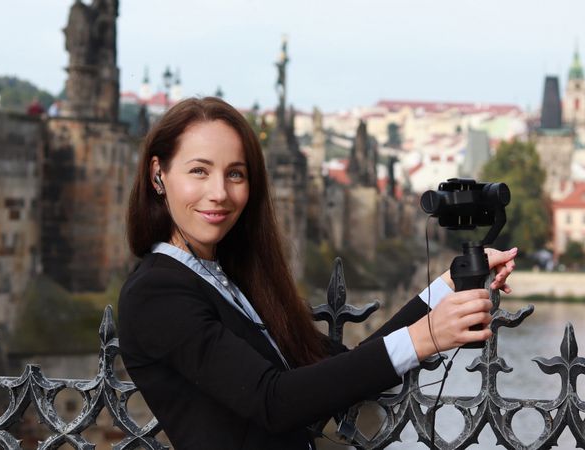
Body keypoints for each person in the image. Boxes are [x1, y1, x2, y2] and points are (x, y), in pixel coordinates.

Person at [117, 97, 517, 450]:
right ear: (158, 175)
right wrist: (425, 337)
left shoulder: (223, 277)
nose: (220, 192)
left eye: (235, 174)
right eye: (199, 171)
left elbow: (347, 369)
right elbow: (274, 402)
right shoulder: (157, 291)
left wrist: (447, 285)